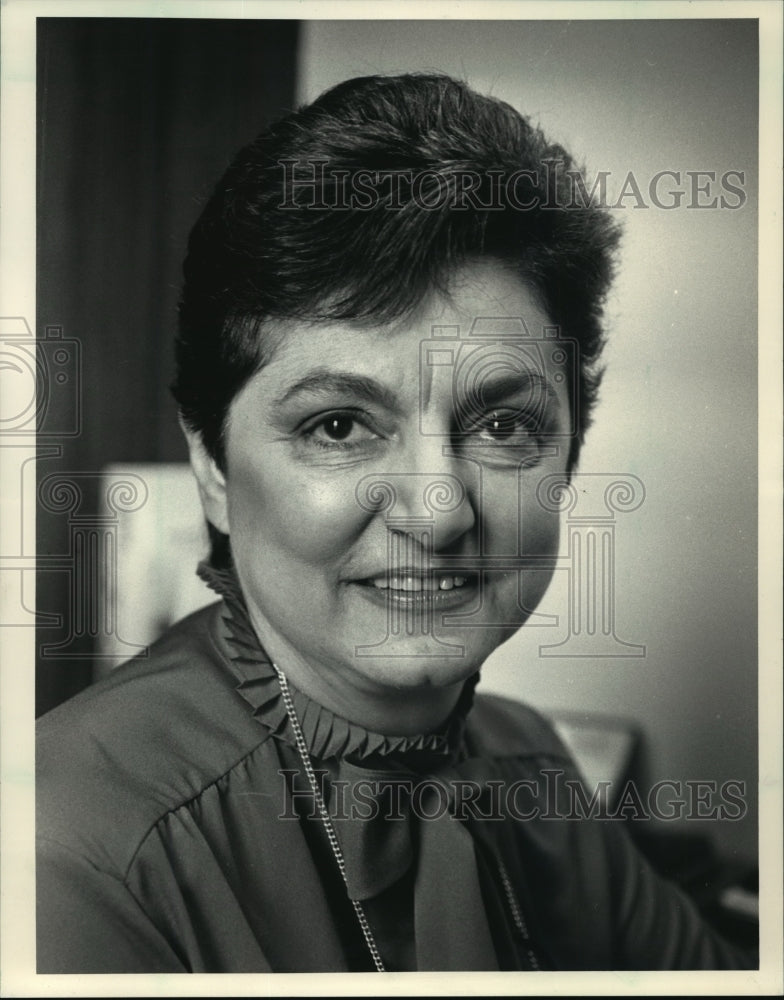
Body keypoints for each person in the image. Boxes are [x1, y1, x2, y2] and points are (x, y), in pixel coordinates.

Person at [36, 72, 755, 973]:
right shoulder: (65, 856)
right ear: (214, 467)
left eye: (502, 425)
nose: (439, 507)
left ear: (568, 453)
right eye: (338, 426)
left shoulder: (530, 764)